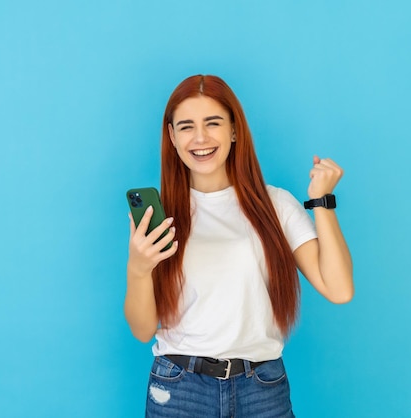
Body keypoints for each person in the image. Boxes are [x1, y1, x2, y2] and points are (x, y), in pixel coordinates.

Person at [124, 74, 353, 417]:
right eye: (186, 126)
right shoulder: (162, 216)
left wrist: (322, 202)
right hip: (180, 389)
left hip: (261, 388)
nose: (200, 138)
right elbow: (143, 330)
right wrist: (138, 268)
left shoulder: (275, 204)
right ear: (171, 136)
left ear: (234, 130)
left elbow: (339, 289)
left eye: (212, 123)